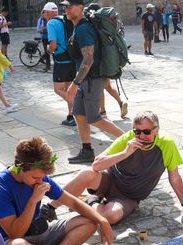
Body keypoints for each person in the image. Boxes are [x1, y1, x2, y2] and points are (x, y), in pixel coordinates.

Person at [0, 137, 114, 245]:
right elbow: (15, 233)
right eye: (35, 177)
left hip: (38, 232)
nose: (40, 181)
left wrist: (102, 220)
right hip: (11, 242)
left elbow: (73, 201)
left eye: (42, 177)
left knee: (89, 222)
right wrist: (33, 200)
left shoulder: (40, 177)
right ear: (19, 166)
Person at [51, 111, 183, 225]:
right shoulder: (128, 138)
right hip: (110, 180)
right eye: (137, 131)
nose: (141, 136)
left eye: (147, 132)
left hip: (129, 196)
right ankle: (49, 210)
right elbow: (96, 165)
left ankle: (90, 201)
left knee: (109, 217)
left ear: (157, 130)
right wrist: (125, 153)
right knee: (86, 173)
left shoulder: (166, 144)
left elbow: (174, 177)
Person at [64, 0, 124, 165]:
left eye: (70, 6)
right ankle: (87, 150)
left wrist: (75, 83)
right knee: (79, 114)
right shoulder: (79, 26)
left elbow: (88, 59)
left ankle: (131, 141)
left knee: (95, 118)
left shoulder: (83, 28)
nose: (66, 9)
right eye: (65, 6)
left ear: (81, 8)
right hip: (85, 79)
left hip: (91, 79)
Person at [45, 3, 76, 126]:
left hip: (61, 60)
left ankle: (78, 107)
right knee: (69, 89)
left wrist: (48, 50)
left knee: (58, 89)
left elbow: (53, 45)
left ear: (47, 12)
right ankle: (71, 116)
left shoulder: (51, 23)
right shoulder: (65, 19)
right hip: (71, 58)